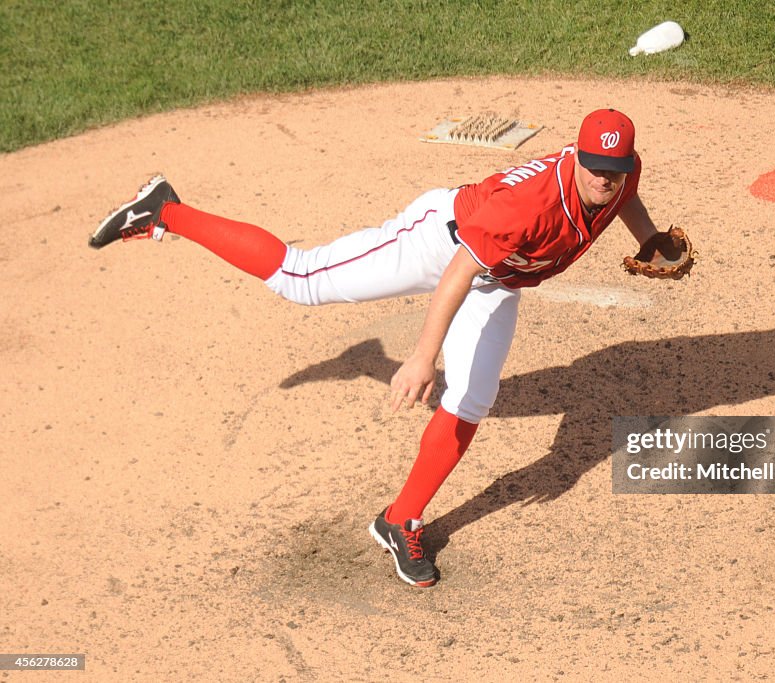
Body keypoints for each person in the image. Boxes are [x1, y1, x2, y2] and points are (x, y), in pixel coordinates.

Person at [90, 108, 668, 587]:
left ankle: (399, 520)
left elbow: (623, 198)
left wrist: (652, 239)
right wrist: (421, 357)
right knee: (302, 279)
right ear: (575, 156)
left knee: (473, 397)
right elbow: (458, 274)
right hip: (438, 246)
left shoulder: (620, 171)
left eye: (613, 170)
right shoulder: (531, 204)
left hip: (499, 277)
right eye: (594, 168)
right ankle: (164, 209)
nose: (604, 180)